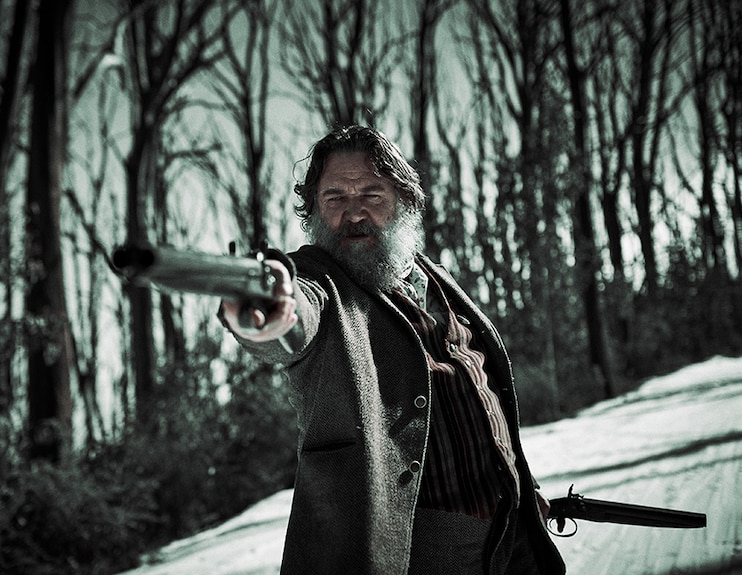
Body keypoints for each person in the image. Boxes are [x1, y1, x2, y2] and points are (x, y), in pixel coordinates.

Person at [220, 125, 565, 575]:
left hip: (516, 534)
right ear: (315, 212)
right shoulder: (320, 281)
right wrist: (270, 310)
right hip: (419, 553)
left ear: (404, 201)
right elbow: (295, 313)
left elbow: (484, 395)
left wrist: (523, 484)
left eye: (371, 195)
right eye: (335, 198)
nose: (354, 213)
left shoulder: (435, 277)